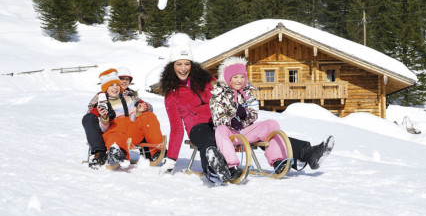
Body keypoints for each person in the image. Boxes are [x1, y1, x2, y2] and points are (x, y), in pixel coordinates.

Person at [158, 37, 334, 182]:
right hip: (198, 127)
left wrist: (242, 106)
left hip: (225, 121)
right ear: (172, 66)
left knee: (265, 129)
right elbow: (176, 128)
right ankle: (214, 168)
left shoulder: (206, 80)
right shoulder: (171, 94)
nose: (183, 68)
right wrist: (171, 161)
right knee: (209, 141)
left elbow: (230, 89)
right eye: (179, 64)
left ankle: (307, 153)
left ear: (192, 64)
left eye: (186, 64)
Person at [210, 56, 289, 177]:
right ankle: (232, 166)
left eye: (242, 77)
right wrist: (231, 121)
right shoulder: (218, 95)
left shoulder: (247, 92)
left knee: (272, 124)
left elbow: (254, 112)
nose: (239, 80)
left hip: (246, 131)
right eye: (235, 77)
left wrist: (246, 116)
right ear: (228, 78)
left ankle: (278, 161)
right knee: (220, 130)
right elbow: (217, 118)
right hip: (230, 134)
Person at [84, 68, 162, 167]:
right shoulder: (101, 102)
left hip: (130, 131)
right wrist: (104, 117)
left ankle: (156, 150)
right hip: (113, 132)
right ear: (105, 88)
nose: (115, 87)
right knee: (115, 136)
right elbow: (101, 126)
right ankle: (118, 153)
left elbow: (133, 117)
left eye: (117, 84)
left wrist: (139, 111)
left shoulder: (129, 98)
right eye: (111, 85)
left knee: (148, 116)